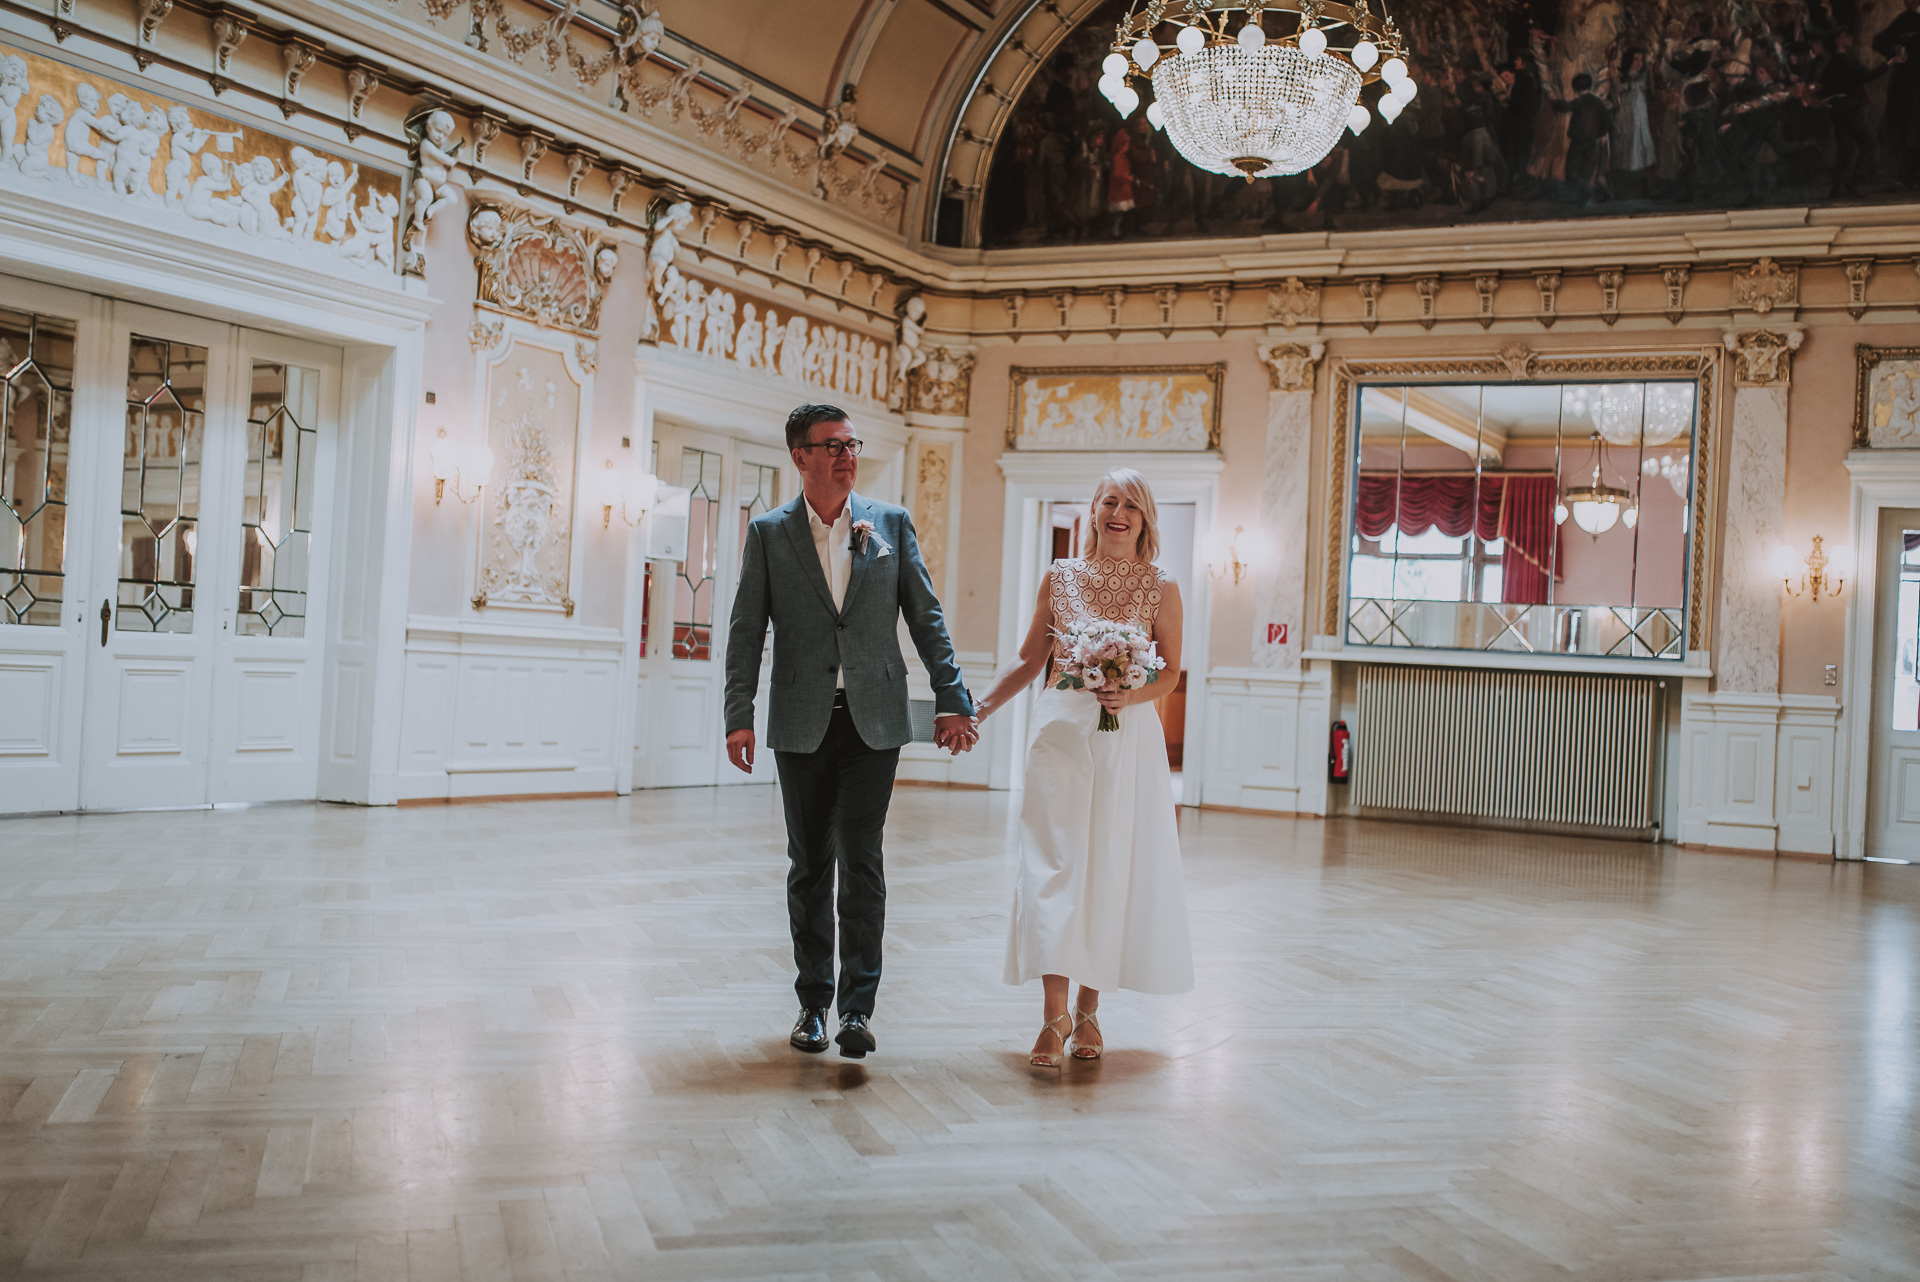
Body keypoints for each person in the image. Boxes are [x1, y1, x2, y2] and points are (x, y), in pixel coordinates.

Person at [724, 404, 977, 1060]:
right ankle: (812, 1004)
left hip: (875, 720)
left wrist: (954, 699)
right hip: (800, 720)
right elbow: (746, 630)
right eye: (832, 445)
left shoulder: (889, 523)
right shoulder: (769, 534)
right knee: (809, 864)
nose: (846, 455)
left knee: (862, 861)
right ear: (800, 456)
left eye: (852, 444)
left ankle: (857, 1010)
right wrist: (738, 715)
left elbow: (927, 617)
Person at [974, 469, 1194, 1069]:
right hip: (1060, 733)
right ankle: (1054, 1015)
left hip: (1127, 737)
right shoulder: (1060, 576)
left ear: (1145, 518)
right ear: (1093, 510)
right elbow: (1030, 659)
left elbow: (1171, 671)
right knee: (1053, 865)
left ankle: (1090, 1008)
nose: (1119, 514)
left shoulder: (1161, 586)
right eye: (1109, 502)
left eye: (1132, 506)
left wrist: (1131, 694)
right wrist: (978, 709)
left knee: (1108, 865)